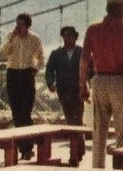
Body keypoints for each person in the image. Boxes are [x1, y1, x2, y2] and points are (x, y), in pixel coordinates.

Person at [80, 0, 123, 169]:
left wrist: (83, 85)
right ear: (118, 10)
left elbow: (84, 60)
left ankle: (98, 167)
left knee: (98, 132)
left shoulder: (93, 29)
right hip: (119, 80)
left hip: (99, 80)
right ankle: (122, 168)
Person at [0, 12, 44, 159]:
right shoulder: (10, 37)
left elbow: (42, 60)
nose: (18, 27)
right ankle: (23, 148)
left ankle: (27, 148)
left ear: (28, 26)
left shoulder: (35, 39)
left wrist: (34, 70)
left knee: (26, 112)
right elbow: (2, 55)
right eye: (17, 24)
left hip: (27, 75)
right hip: (13, 74)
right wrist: (11, 40)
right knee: (16, 113)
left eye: (21, 25)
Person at [45, 26, 86, 163]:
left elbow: (91, 69)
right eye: (65, 35)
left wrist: (89, 85)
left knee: (77, 120)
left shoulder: (82, 52)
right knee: (70, 120)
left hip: (78, 91)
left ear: (75, 37)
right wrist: (50, 83)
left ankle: (74, 154)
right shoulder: (56, 54)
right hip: (63, 91)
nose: (67, 38)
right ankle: (79, 147)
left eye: (70, 35)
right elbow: (49, 70)